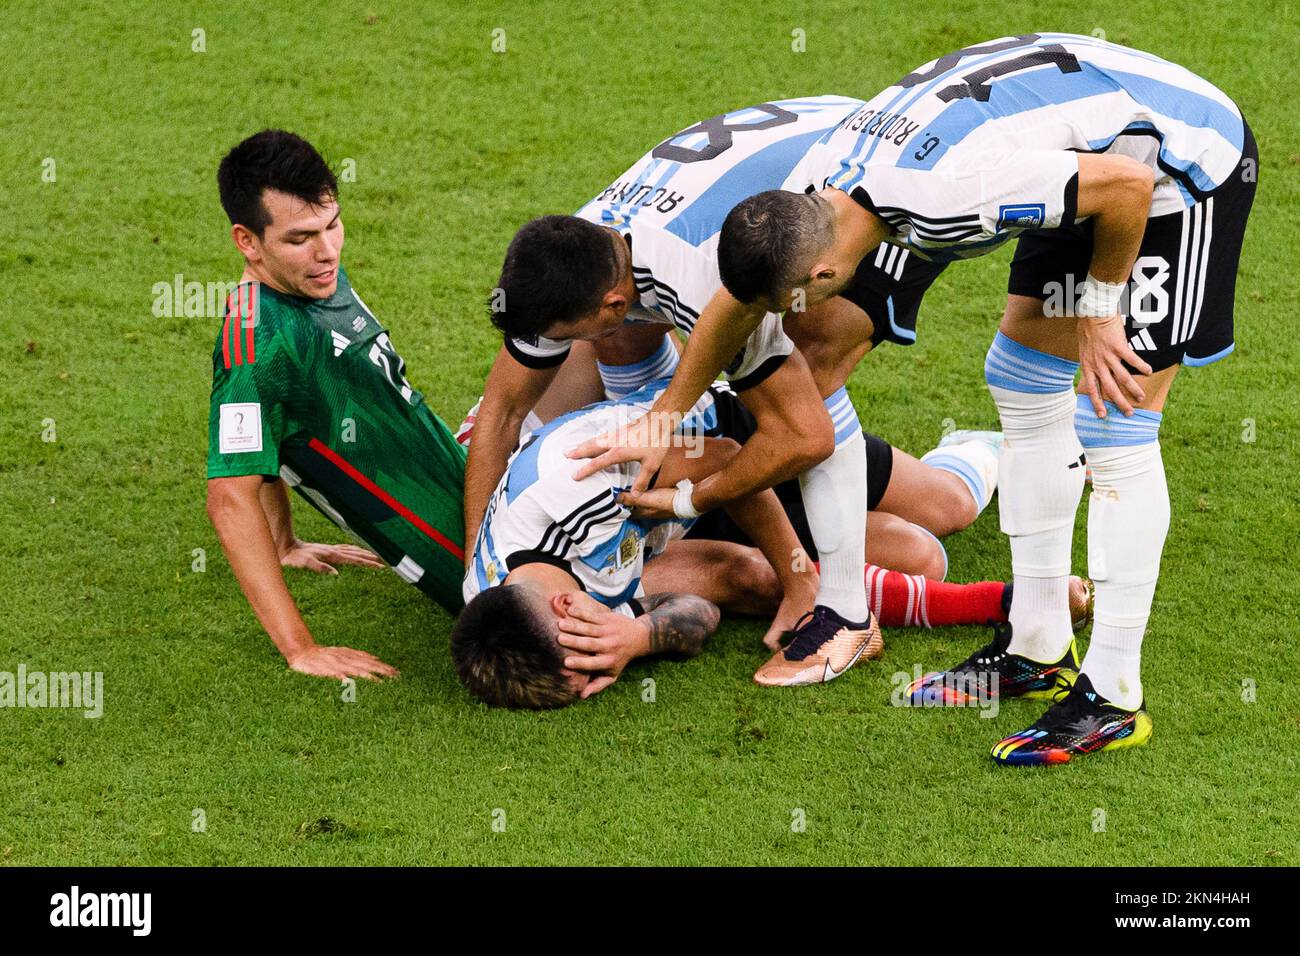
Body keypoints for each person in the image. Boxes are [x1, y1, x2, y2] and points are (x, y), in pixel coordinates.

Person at [570, 34, 1256, 763]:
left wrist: (1099, 310)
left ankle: (1115, 693)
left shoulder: (950, 200)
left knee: (1112, 415)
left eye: (796, 300)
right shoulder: (819, 196)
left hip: (1177, 167)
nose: (795, 315)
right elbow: (741, 302)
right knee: (1022, 380)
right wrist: (664, 416)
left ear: (824, 269)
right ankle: (1036, 646)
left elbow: (1120, 186)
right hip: (1078, 150)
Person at [470, 95, 956, 683]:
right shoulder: (576, 253)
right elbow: (500, 412)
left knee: (814, 365)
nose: (547, 350)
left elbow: (808, 437)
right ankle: (675, 453)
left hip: (889, 168)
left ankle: (838, 606)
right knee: (625, 346)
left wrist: (697, 501)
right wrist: (477, 575)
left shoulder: (710, 289)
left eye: (562, 337)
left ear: (613, 303)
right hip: (806, 139)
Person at [206, 130, 468, 682]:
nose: (327, 252)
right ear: (247, 242)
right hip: (476, 556)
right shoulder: (255, 343)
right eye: (301, 238)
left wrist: (284, 542)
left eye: (332, 225)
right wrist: (301, 649)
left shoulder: (314, 277)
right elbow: (230, 496)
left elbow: (269, 438)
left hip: (470, 472)